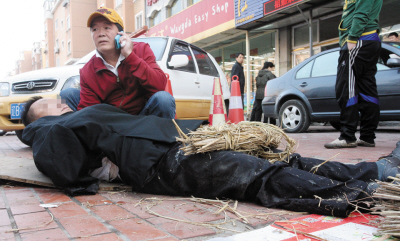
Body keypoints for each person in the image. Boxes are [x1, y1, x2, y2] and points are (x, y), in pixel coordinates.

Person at [21, 96, 400, 217]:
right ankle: (364, 194)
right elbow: (56, 157)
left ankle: (376, 169)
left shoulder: (79, 113)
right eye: (49, 103)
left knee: (271, 158)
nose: (59, 100)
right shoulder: (48, 127)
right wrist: (94, 176)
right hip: (156, 163)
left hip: (177, 140)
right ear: (40, 116)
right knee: (251, 173)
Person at [60, 7, 175, 119]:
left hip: (143, 118)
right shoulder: (87, 70)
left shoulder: (141, 50)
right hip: (112, 122)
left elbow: (159, 84)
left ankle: (159, 138)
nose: (101, 34)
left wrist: (130, 56)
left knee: (164, 99)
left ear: (120, 33)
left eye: (107, 28)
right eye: (95, 29)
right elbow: (90, 110)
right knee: (67, 94)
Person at [325, 0, 383, 149]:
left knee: (346, 88)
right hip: (368, 39)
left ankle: (347, 136)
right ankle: (367, 137)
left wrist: (351, 39)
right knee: (367, 89)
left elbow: (361, 13)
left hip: (359, 39)